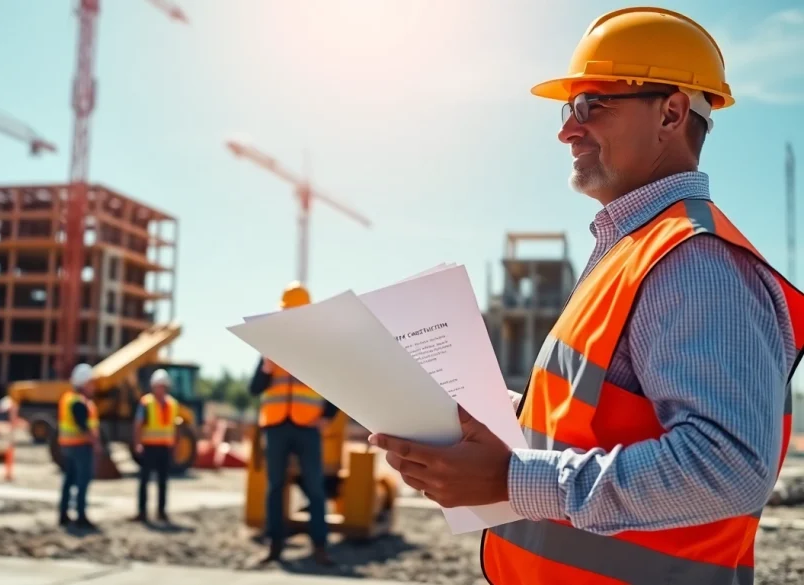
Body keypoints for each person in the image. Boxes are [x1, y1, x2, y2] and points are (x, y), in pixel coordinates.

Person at [368, 7, 804, 585]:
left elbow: (727, 466)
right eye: (568, 109)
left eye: (590, 106)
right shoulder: (631, 252)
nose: (567, 130)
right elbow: (593, 417)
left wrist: (509, 479)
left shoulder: (694, 262)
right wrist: (486, 415)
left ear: (671, 113)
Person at [248, 281, 337, 566]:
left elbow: (336, 385)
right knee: (275, 486)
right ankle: (274, 545)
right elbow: (254, 388)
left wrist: (327, 417)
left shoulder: (319, 348)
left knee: (315, 487)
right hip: (276, 426)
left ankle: (320, 546)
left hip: (308, 427)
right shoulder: (270, 346)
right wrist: (266, 368)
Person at [131, 368, 178, 523]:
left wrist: (175, 445)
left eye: (163, 386)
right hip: (149, 447)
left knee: (163, 481)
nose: (160, 389)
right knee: (144, 480)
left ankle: (161, 512)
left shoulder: (172, 404)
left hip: (165, 448)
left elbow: (174, 427)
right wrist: (137, 443)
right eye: (158, 386)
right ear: (153, 386)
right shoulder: (146, 403)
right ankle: (142, 512)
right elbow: (138, 424)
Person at [57, 362, 101, 530]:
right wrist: (95, 443)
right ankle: (81, 516)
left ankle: (63, 514)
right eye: (91, 383)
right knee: (82, 481)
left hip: (67, 446)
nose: (93, 386)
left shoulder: (68, 398)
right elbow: (83, 426)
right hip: (80, 446)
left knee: (69, 480)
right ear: (83, 383)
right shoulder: (79, 402)